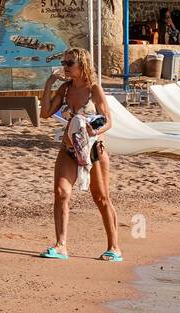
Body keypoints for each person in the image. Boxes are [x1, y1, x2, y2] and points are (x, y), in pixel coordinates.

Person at [40, 49, 121, 262]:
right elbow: (45, 113)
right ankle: (61, 245)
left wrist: (94, 130)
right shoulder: (65, 89)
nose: (65, 66)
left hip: (93, 150)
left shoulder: (94, 89)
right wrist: (49, 84)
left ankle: (114, 247)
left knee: (101, 198)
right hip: (68, 149)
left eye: (70, 63)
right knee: (60, 192)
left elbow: (108, 120)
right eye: (63, 62)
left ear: (82, 64)